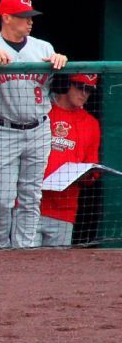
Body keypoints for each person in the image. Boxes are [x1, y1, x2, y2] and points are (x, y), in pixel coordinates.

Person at [0, 0, 68, 249]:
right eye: (23, 17)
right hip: (3, 128)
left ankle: (25, 251)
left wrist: (62, 62)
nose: (29, 22)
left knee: (31, 197)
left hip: (39, 126)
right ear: (6, 17)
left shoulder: (43, 47)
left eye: (30, 17)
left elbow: (60, 86)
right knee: (1, 200)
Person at [39, 74, 102, 247]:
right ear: (67, 84)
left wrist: (88, 176)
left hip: (64, 209)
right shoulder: (42, 111)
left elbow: (92, 166)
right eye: (79, 87)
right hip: (30, 205)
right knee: (23, 265)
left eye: (89, 90)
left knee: (56, 269)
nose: (84, 94)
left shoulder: (91, 123)